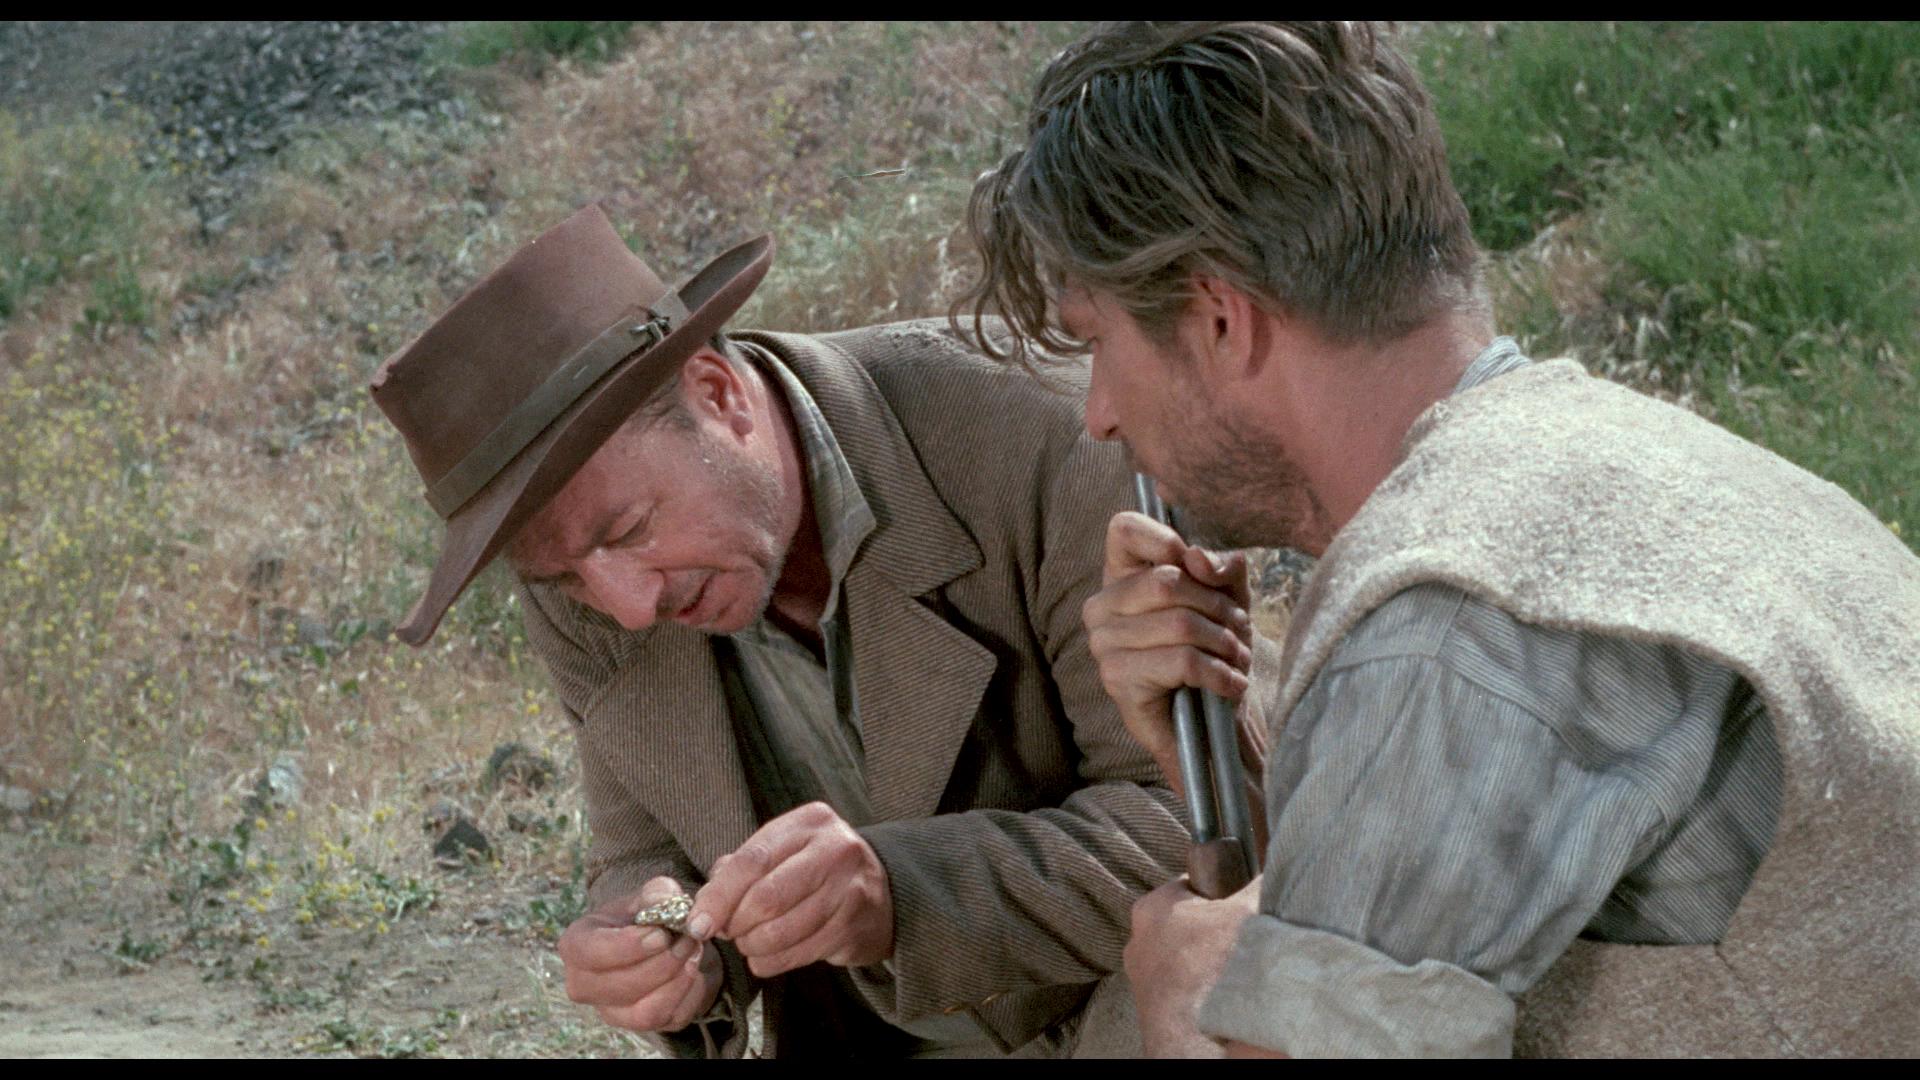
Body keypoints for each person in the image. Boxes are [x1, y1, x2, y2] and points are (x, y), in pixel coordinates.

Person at [956, 20, 1920, 1057]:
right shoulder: (1631, 472)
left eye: (1099, 343)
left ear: (1219, 319)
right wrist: (1221, 763)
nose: (1099, 414)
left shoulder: (1450, 616)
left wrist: (1183, 1009)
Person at [368, 204, 1190, 1058]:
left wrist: (904, 895)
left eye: (628, 530)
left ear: (719, 396)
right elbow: (644, 851)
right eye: (567, 577)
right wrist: (660, 944)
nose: (627, 607)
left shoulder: (1048, 438)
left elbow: (1197, 824)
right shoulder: (581, 585)